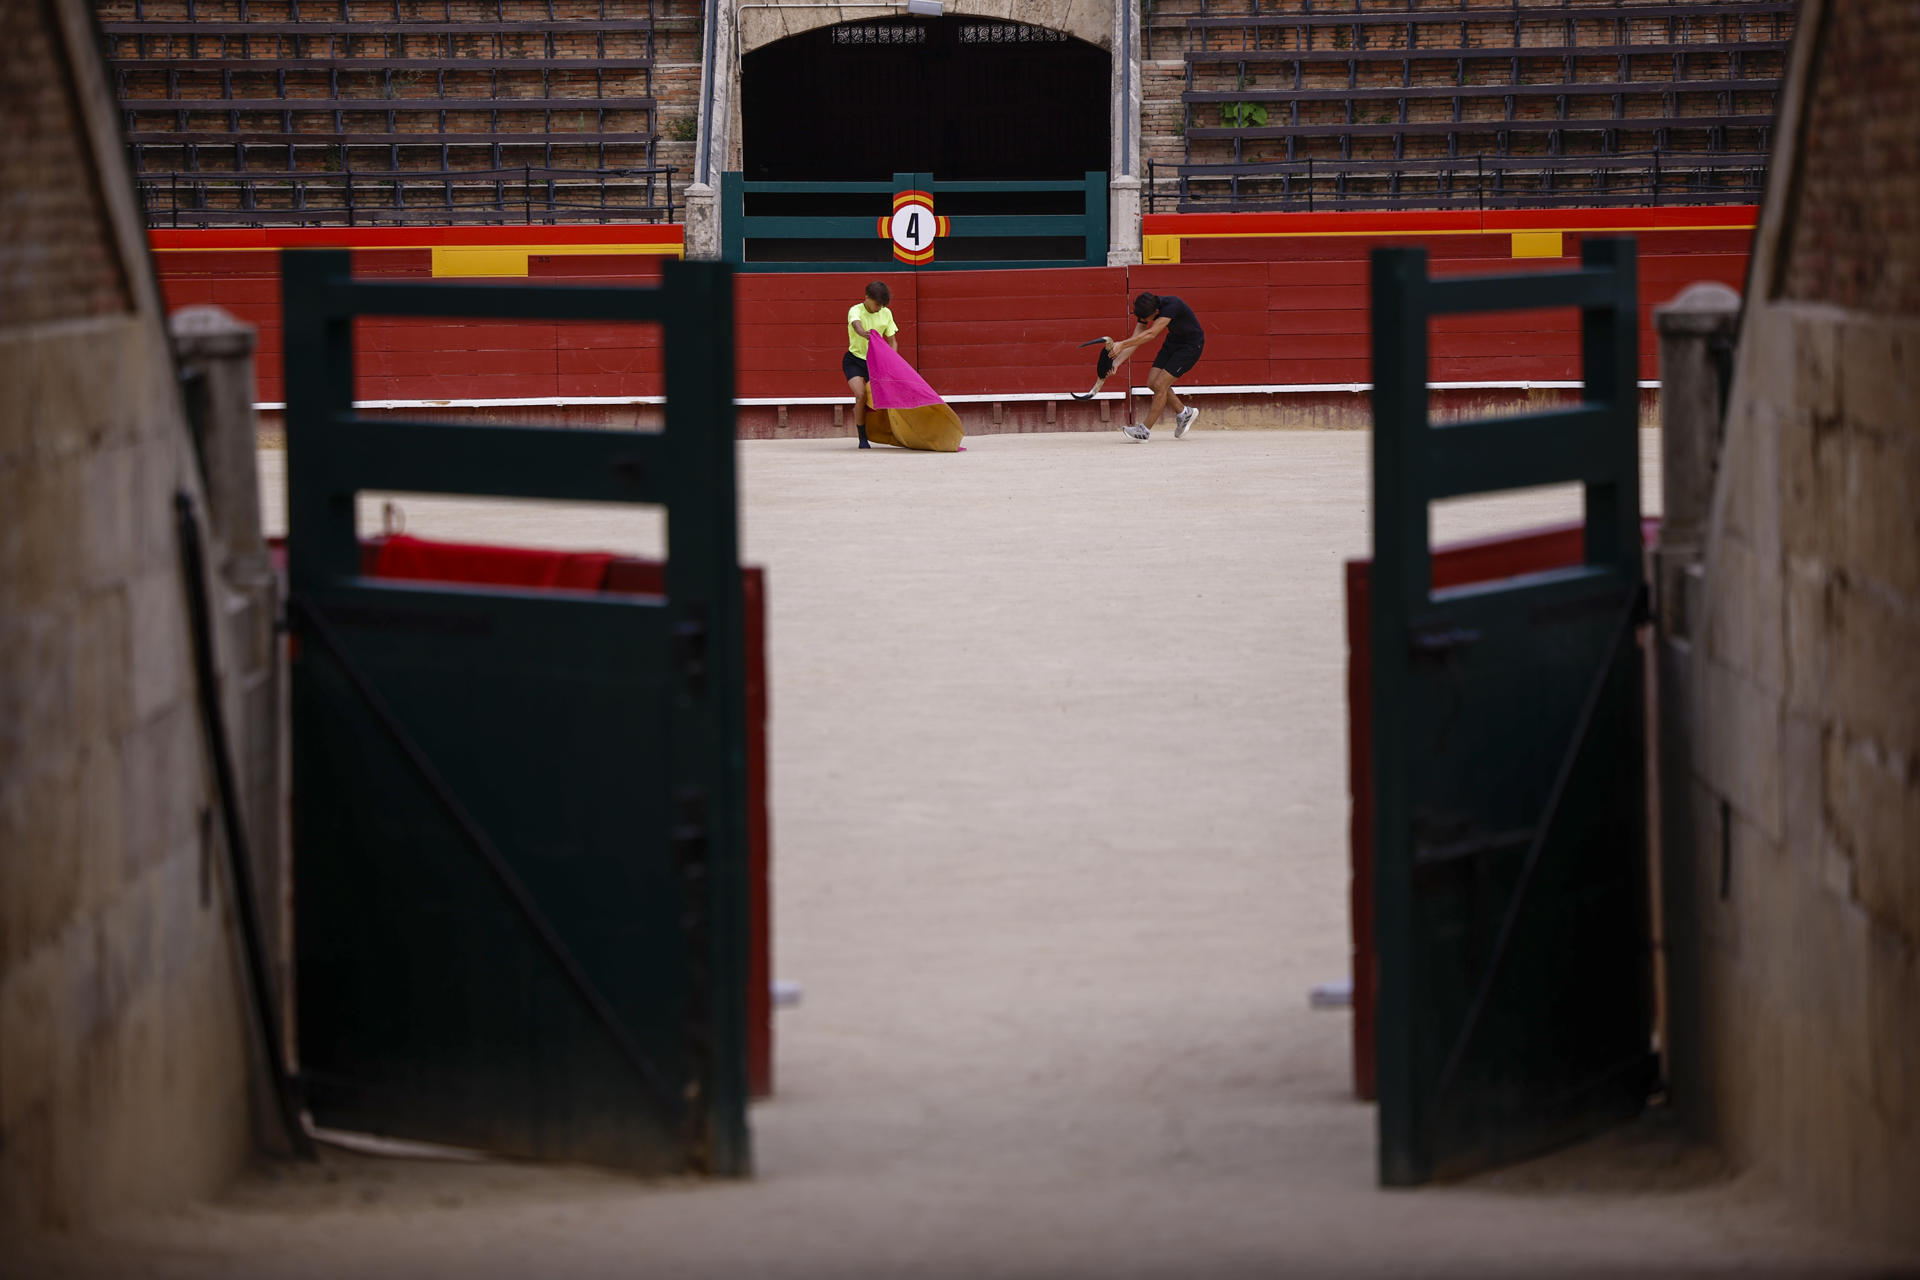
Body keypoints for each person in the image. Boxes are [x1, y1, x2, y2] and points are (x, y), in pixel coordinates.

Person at [1103, 292, 1204, 441]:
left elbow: (1151, 334)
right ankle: (1183, 412)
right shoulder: (1148, 309)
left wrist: (1122, 344)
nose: (1144, 321)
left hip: (1190, 346)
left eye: (1146, 319)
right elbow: (1136, 339)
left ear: (1156, 312)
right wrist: (1117, 362)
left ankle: (1144, 430)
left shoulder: (1172, 306)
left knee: (1160, 384)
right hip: (1173, 342)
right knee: (1152, 383)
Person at [844, 280, 899, 449]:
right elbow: (856, 325)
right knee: (861, 395)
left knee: (882, 397)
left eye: (882, 305)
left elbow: (892, 341)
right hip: (854, 360)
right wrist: (864, 334)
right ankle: (862, 437)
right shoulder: (855, 310)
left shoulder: (886, 313)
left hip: (876, 363)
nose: (879, 308)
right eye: (877, 304)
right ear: (866, 297)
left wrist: (892, 361)